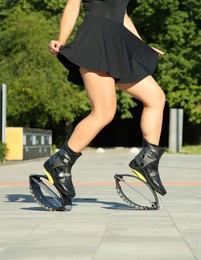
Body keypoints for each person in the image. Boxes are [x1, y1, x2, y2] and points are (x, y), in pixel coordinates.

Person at [44, 0, 167, 201]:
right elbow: (73, 5)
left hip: (118, 42)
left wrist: (141, 46)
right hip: (95, 39)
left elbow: (123, 15)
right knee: (104, 112)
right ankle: (60, 162)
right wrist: (61, 40)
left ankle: (147, 161)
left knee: (156, 97)